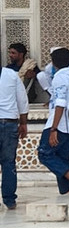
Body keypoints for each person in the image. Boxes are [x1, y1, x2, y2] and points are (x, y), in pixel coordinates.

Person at [36, 47, 69, 196]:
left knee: (44, 154)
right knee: (62, 159)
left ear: (54, 62)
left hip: (60, 125)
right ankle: (66, 192)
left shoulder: (60, 77)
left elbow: (61, 104)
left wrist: (53, 129)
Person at [0, 60, 29, 210]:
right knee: (8, 162)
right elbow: (22, 101)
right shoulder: (11, 75)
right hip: (8, 123)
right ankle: (9, 200)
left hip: (8, 122)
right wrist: (23, 123)